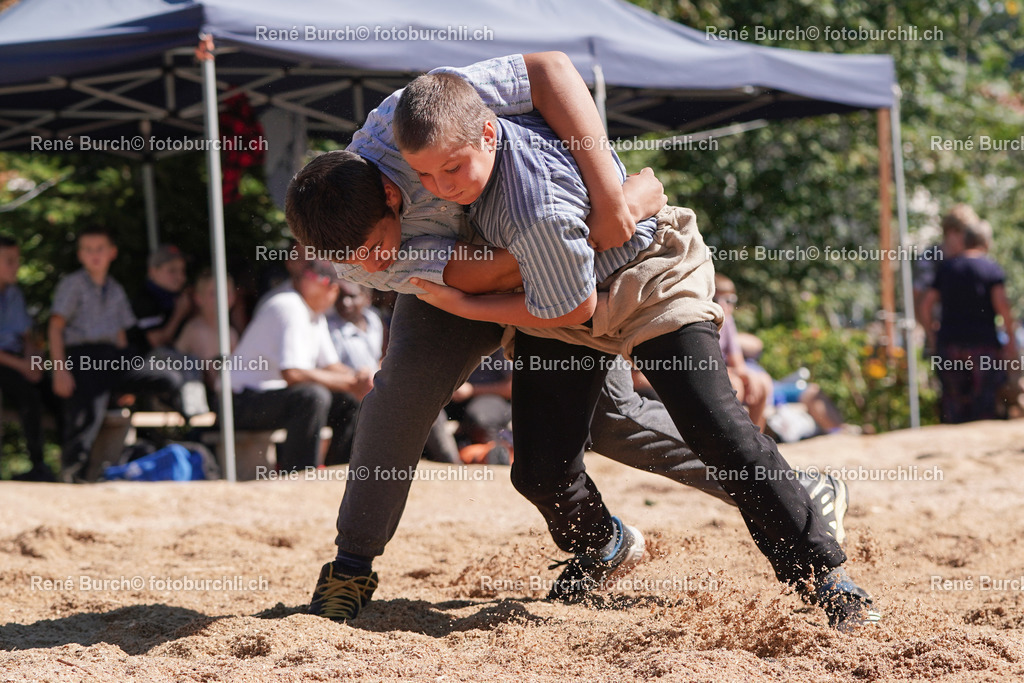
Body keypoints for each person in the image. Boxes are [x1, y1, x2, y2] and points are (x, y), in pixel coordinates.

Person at [287, 53, 855, 629]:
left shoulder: (415, 116)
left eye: (373, 248)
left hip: (592, 262)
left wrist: (610, 198)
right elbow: (480, 276)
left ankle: (794, 503)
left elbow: (548, 69)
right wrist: (608, 216)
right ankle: (352, 563)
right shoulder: (353, 252)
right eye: (349, 262)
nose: (367, 267)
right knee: (405, 395)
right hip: (505, 277)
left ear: (389, 193)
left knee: (614, 419)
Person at [49, 226, 182, 483]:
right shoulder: (72, 284)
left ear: (112, 253)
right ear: (80, 255)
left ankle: (172, 441)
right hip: (82, 357)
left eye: (99, 249)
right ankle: (71, 477)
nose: (94, 255)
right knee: (86, 416)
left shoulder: (115, 289)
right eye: (88, 250)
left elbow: (122, 336)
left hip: (112, 357)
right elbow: (55, 327)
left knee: (167, 377)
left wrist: (125, 380)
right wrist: (59, 370)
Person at [231, 259, 369, 471]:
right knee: (312, 397)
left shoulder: (312, 312)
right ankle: (300, 474)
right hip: (238, 402)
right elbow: (293, 374)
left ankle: (340, 472)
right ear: (330, 288)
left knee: (348, 402)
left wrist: (362, 380)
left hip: (263, 397)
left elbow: (331, 366)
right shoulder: (289, 306)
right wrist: (354, 382)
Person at [920, 219, 1017, 423]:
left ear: (965, 240)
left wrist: (931, 335)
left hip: (949, 345)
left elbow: (925, 306)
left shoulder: (947, 268)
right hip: (984, 347)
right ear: (986, 243)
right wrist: (1010, 340)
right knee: (984, 404)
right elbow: (1003, 307)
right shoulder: (991, 269)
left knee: (954, 406)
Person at [0, 236, 54, 481]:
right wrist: (24, 366)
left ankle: (67, 466)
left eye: (17, 260)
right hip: (6, 364)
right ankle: (37, 463)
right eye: (9, 261)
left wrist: (34, 363)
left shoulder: (13, 294)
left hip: (16, 361)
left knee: (55, 389)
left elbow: (27, 337)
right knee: (26, 394)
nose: (16, 267)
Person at [713, 274, 772, 431]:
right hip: (712, 373)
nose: (724, 306)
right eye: (716, 300)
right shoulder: (704, 323)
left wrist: (747, 375)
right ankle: (731, 444)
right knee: (734, 386)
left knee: (762, 383)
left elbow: (738, 362)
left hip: (726, 372)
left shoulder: (728, 321)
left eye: (730, 300)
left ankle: (757, 441)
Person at [175, 270, 240, 396]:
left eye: (227, 293)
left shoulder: (231, 332)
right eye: (214, 293)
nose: (222, 298)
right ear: (198, 298)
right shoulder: (195, 329)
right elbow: (214, 380)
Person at [130, 244, 192, 355]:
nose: (181, 277)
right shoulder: (145, 301)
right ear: (153, 272)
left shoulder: (176, 296)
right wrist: (179, 314)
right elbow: (156, 342)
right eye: (172, 271)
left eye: (182, 270)